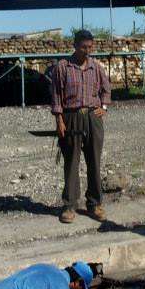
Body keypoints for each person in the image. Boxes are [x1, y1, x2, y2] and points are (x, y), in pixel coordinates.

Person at [49, 29, 112, 224]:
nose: (87, 51)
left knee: (94, 161)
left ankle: (94, 203)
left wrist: (103, 107)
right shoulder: (62, 67)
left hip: (92, 118)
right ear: (75, 45)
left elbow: (106, 89)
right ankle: (69, 206)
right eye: (83, 47)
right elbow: (56, 95)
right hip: (71, 118)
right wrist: (59, 119)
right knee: (72, 162)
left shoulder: (96, 67)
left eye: (90, 47)